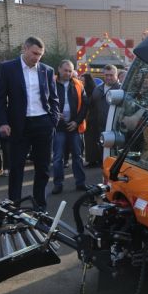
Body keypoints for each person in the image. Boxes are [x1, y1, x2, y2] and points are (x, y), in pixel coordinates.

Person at [0, 36, 59, 211]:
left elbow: (53, 98)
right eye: (34, 53)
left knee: (43, 168)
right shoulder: (8, 68)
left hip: (43, 124)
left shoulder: (47, 70)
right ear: (25, 48)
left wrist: (53, 119)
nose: (37, 57)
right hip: (18, 125)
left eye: (40, 55)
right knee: (16, 168)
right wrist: (2, 122)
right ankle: (13, 207)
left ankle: (40, 207)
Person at [52, 60, 87, 194]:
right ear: (59, 69)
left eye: (70, 70)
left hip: (74, 126)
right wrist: (55, 114)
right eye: (65, 70)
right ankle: (58, 184)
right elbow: (45, 101)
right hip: (58, 127)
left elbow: (85, 105)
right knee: (57, 157)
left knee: (78, 156)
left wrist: (76, 122)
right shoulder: (51, 83)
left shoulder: (78, 84)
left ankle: (80, 183)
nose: (68, 73)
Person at [89, 65, 121, 164]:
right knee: (103, 155)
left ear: (116, 75)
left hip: (117, 129)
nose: (108, 77)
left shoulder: (122, 89)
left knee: (116, 156)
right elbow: (92, 107)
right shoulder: (97, 89)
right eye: (106, 75)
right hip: (100, 128)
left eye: (111, 75)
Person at [81, 73, 101, 167]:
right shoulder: (90, 90)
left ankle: (93, 161)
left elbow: (90, 104)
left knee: (91, 141)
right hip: (89, 119)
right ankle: (92, 160)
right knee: (89, 141)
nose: (81, 82)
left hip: (92, 119)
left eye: (82, 81)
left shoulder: (92, 91)